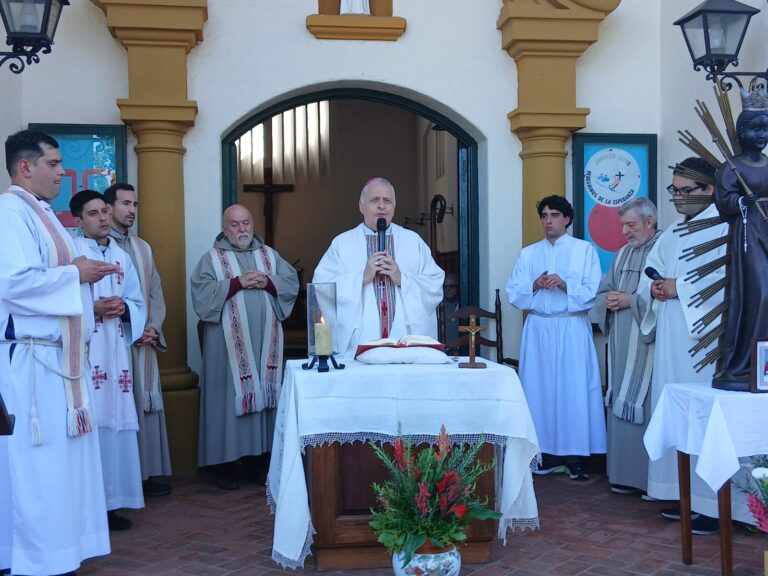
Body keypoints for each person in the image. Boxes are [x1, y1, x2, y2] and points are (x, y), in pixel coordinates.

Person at [0, 130, 113, 575]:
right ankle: (33, 557)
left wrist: (80, 275)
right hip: (33, 362)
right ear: (26, 166)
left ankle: (60, 551)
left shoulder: (41, 213)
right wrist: (76, 273)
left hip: (59, 361)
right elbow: (12, 284)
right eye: (54, 163)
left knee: (62, 467)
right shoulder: (10, 213)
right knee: (38, 467)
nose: (63, 172)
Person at [638, 158, 729, 534]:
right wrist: (655, 287)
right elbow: (653, 267)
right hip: (671, 337)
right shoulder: (674, 231)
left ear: (710, 189)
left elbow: (731, 282)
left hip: (703, 343)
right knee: (677, 414)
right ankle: (682, 492)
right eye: (674, 190)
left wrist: (681, 289)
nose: (677, 198)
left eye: (685, 191)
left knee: (704, 417)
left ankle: (712, 504)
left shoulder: (725, 227)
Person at [191, 204, 299, 490]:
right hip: (226, 348)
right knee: (226, 400)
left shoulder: (269, 256)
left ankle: (259, 461)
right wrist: (236, 284)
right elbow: (202, 298)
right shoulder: (212, 259)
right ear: (225, 229)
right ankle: (225, 465)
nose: (242, 229)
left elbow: (292, 283)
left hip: (266, 346)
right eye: (235, 225)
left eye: (246, 223)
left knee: (264, 395)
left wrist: (269, 281)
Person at [506, 195, 606, 481]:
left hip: (571, 326)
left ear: (567, 219)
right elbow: (514, 291)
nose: (548, 221)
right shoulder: (528, 253)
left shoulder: (584, 250)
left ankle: (576, 455)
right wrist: (534, 285)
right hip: (539, 327)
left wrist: (565, 285)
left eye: (554, 215)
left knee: (572, 389)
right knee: (539, 389)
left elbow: (593, 290)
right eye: (544, 215)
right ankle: (544, 453)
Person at [70, 189, 147, 531]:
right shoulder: (72, 253)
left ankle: (113, 503)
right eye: (92, 213)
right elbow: (60, 297)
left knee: (116, 420)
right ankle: (88, 505)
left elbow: (137, 299)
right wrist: (94, 308)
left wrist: (126, 309)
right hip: (87, 353)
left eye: (104, 211)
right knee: (92, 421)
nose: (102, 218)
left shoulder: (122, 256)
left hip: (116, 351)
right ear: (78, 220)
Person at [313, 177, 444, 355]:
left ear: (394, 207)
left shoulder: (412, 241)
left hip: (406, 342)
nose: (381, 206)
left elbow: (434, 285)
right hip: (359, 344)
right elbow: (322, 287)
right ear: (361, 206)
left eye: (387, 201)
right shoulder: (342, 244)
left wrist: (402, 279)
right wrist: (361, 278)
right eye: (375, 200)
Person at [105, 183, 173, 498]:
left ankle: (144, 475)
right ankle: (123, 480)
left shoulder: (143, 248)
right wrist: (133, 324)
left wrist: (154, 326)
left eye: (135, 204)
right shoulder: (98, 247)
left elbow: (155, 291)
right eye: (125, 204)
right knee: (123, 405)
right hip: (115, 342)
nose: (132, 210)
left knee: (145, 406)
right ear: (109, 207)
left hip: (144, 341)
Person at [594, 197, 660, 495]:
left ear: (650, 222)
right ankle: (622, 475)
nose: (625, 232)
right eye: (623, 225)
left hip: (650, 344)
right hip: (621, 343)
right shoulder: (621, 254)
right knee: (620, 397)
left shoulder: (664, 250)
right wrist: (607, 301)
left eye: (631, 225)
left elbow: (666, 295)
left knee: (645, 404)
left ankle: (650, 480)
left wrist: (630, 300)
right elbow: (605, 288)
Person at [712, 94, 768, 390]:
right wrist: (742, 200)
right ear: (741, 132)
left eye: (765, 129)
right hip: (749, 238)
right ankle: (742, 363)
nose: (761, 135)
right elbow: (724, 200)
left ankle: (763, 367)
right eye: (755, 129)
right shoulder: (732, 168)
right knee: (759, 294)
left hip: (767, 232)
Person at [441, 273, 461, 354]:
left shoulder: (465, 303)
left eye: (451, 286)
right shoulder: (437, 306)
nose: (448, 289)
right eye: (445, 287)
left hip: (461, 352)